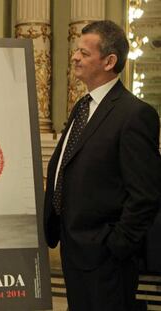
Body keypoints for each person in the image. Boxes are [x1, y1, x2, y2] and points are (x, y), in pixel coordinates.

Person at [43, 20, 161, 311]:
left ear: (109, 61)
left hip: (106, 261)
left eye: (84, 53)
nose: (74, 57)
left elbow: (145, 194)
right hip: (75, 251)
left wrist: (115, 245)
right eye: (76, 51)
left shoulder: (135, 115)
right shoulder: (82, 107)